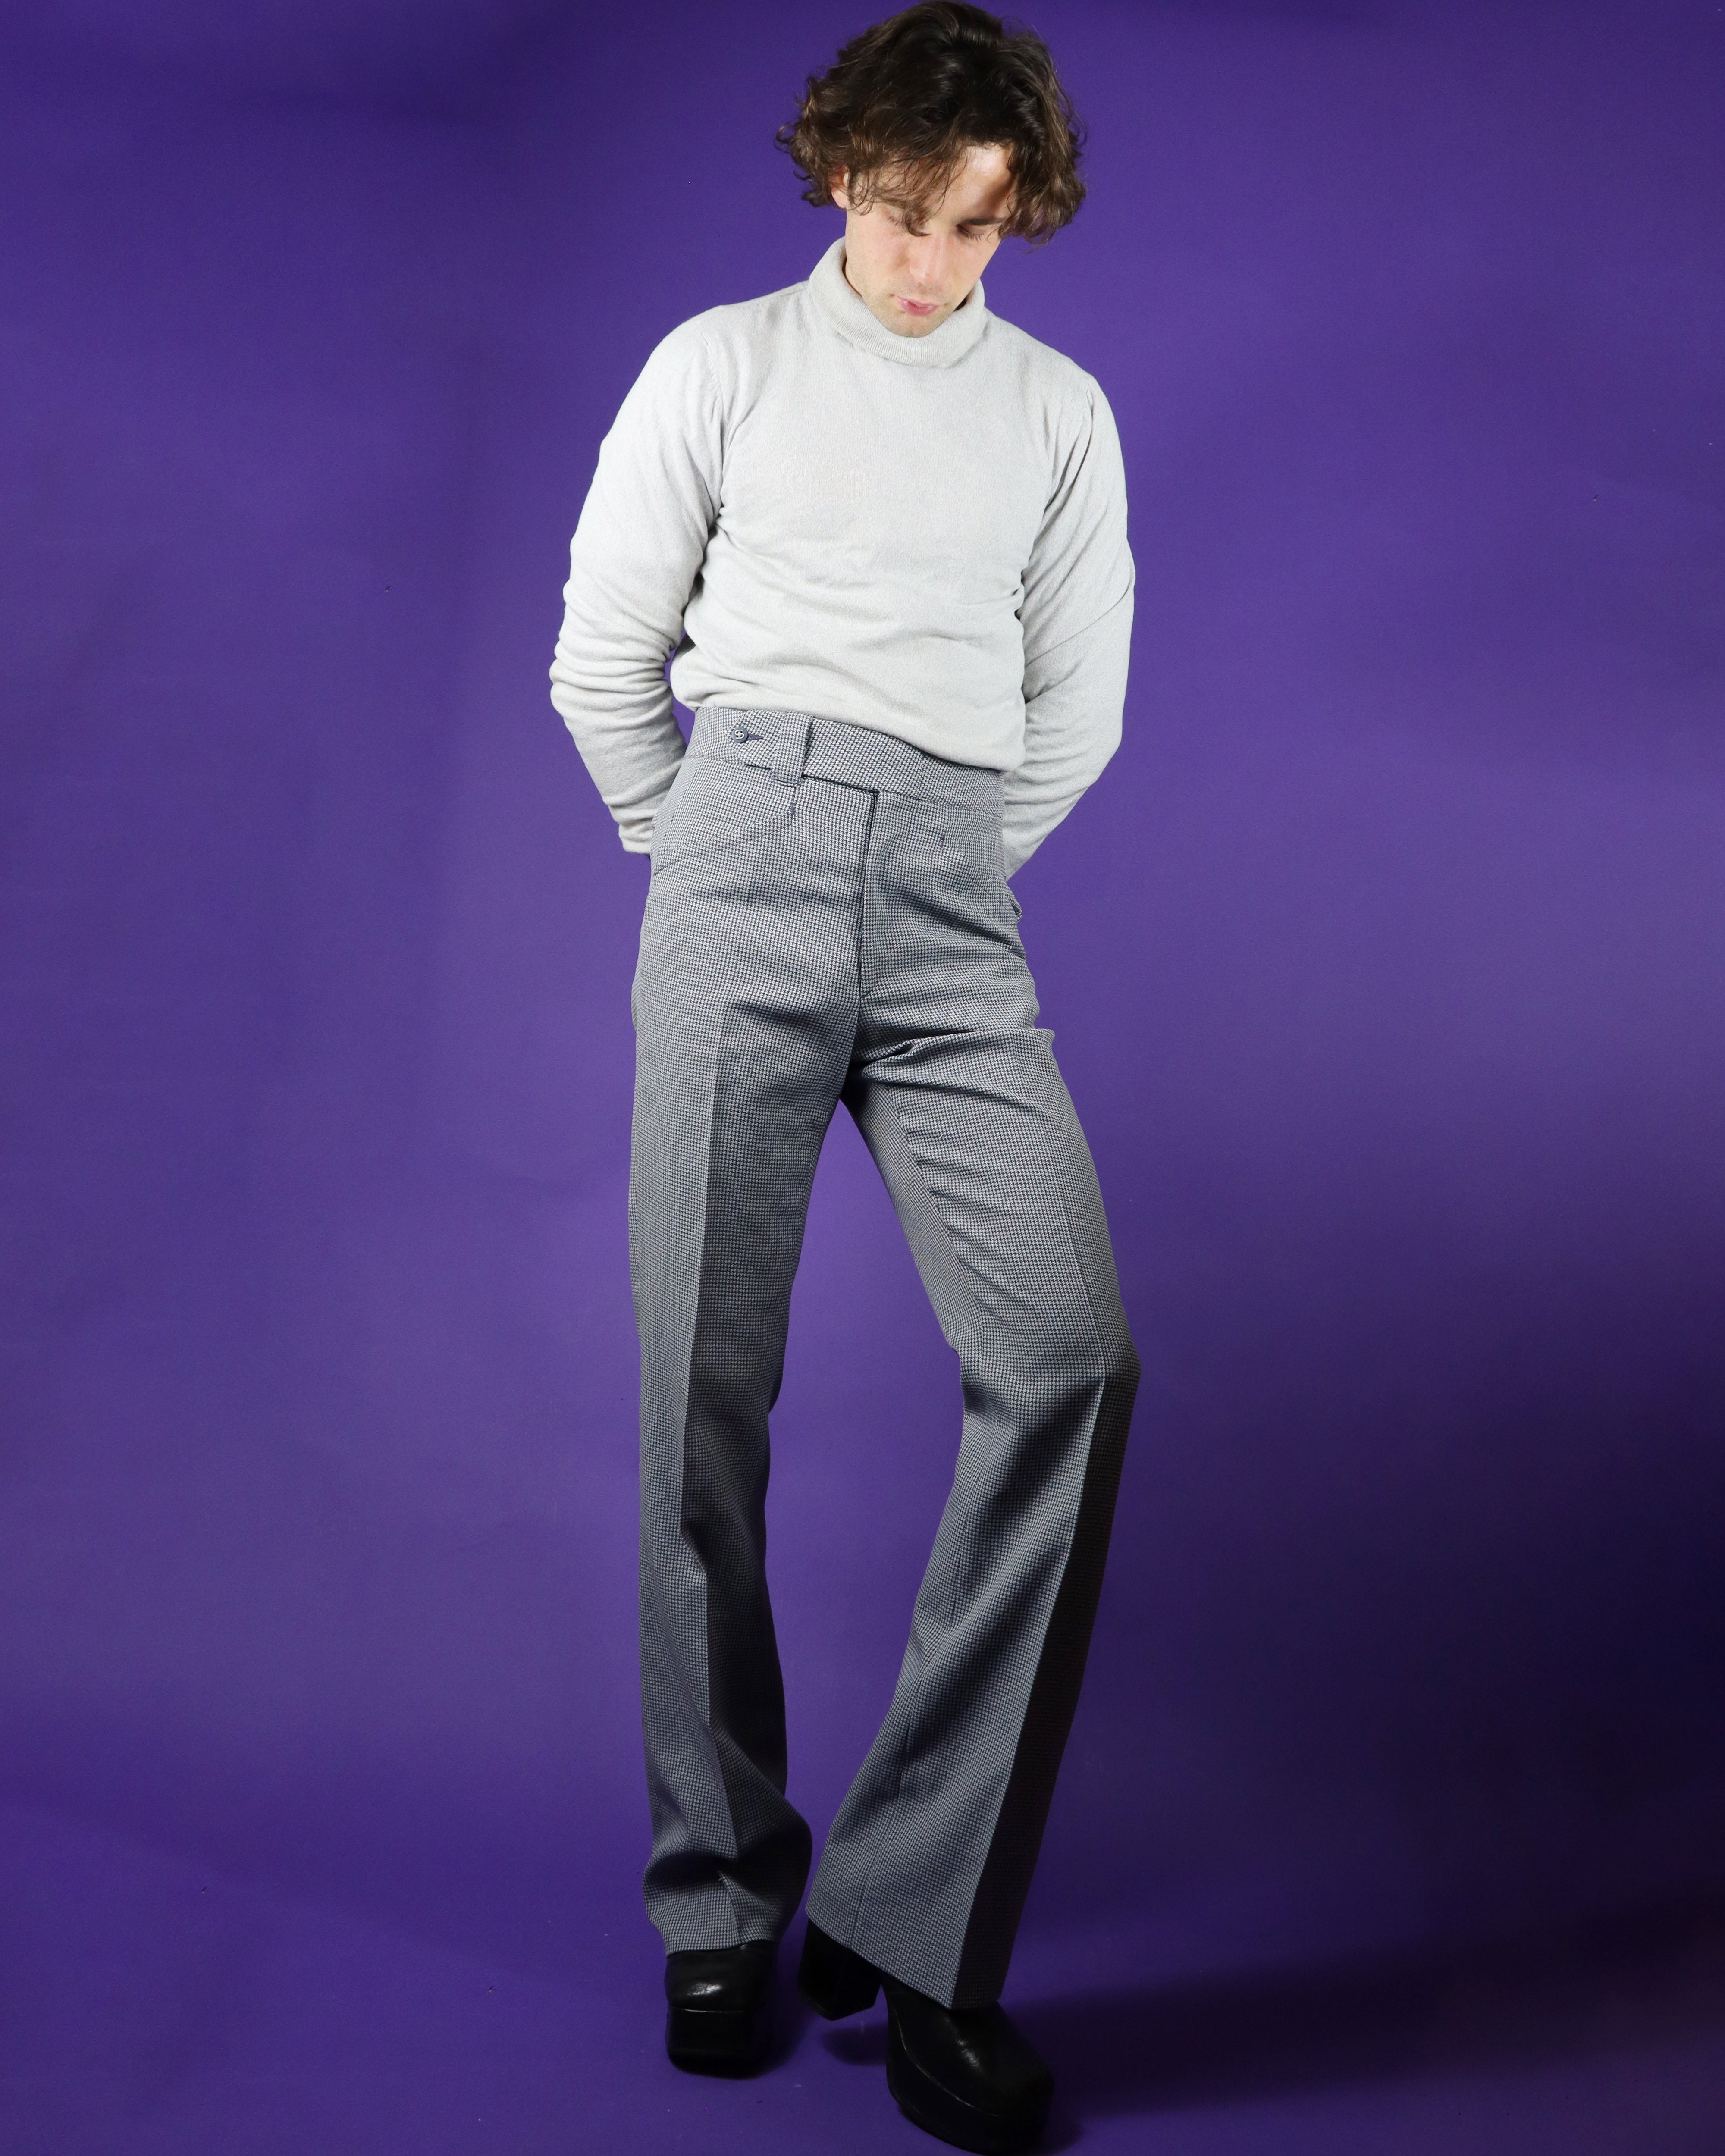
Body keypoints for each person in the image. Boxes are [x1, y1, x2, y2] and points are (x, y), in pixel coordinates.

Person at [549, 5, 1138, 2147]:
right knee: (698, 1398)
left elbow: (1077, 704)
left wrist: (940, 864)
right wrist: (710, 853)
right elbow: (602, 659)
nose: (931, 264)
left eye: (978, 227)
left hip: (955, 902)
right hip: (742, 856)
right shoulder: (721, 365)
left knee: (1069, 1358)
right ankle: (719, 1891)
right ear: (839, 174)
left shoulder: (1056, 413)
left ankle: (914, 1917)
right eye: (906, 213)